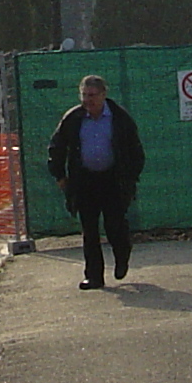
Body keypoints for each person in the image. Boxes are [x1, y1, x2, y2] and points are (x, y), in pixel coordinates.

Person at [45, 74, 144, 289]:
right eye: (84, 95)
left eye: (92, 95)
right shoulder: (73, 118)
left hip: (113, 181)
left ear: (103, 95)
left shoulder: (119, 118)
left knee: (114, 225)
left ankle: (122, 255)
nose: (88, 100)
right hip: (84, 181)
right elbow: (57, 147)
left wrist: (130, 177)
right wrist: (60, 176)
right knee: (89, 231)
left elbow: (135, 150)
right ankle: (94, 276)